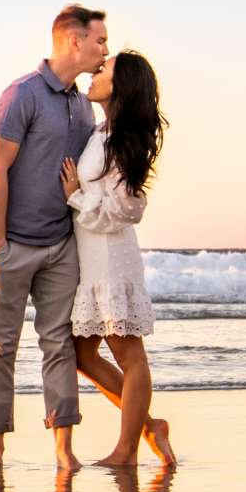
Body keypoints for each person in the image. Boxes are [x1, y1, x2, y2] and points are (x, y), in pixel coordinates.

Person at [0, 4, 107, 471]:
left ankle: (65, 453)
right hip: (12, 244)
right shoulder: (21, 95)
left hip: (60, 245)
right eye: (99, 41)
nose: (104, 49)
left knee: (59, 345)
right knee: (0, 347)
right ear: (74, 41)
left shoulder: (81, 104)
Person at [61, 49, 173, 467]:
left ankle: (126, 451)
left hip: (111, 259)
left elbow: (128, 210)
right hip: (91, 260)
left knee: (129, 354)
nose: (95, 72)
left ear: (119, 85)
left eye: (103, 69)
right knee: (82, 354)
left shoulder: (123, 140)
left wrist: (73, 195)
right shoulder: (100, 132)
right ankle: (149, 426)